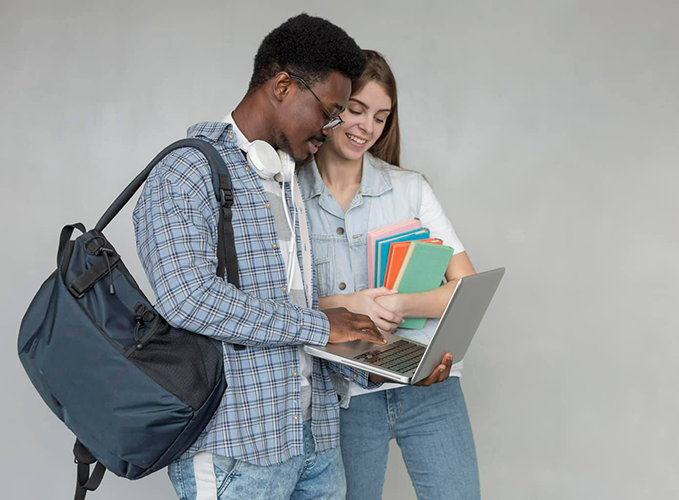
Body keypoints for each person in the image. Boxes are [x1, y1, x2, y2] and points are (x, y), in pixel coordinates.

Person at [132, 16, 453, 500]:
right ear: (283, 86)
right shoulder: (184, 172)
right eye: (329, 111)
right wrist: (324, 326)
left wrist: (374, 366)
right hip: (236, 454)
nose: (331, 129)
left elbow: (289, 320)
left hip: (315, 445)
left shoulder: (286, 181)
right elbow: (188, 298)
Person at [298, 50, 479, 500]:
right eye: (355, 110)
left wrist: (399, 305)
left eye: (380, 117)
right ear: (333, 104)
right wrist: (349, 304)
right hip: (341, 399)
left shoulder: (410, 188)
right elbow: (272, 308)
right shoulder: (290, 193)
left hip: (426, 385)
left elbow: (465, 286)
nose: (366, 127)